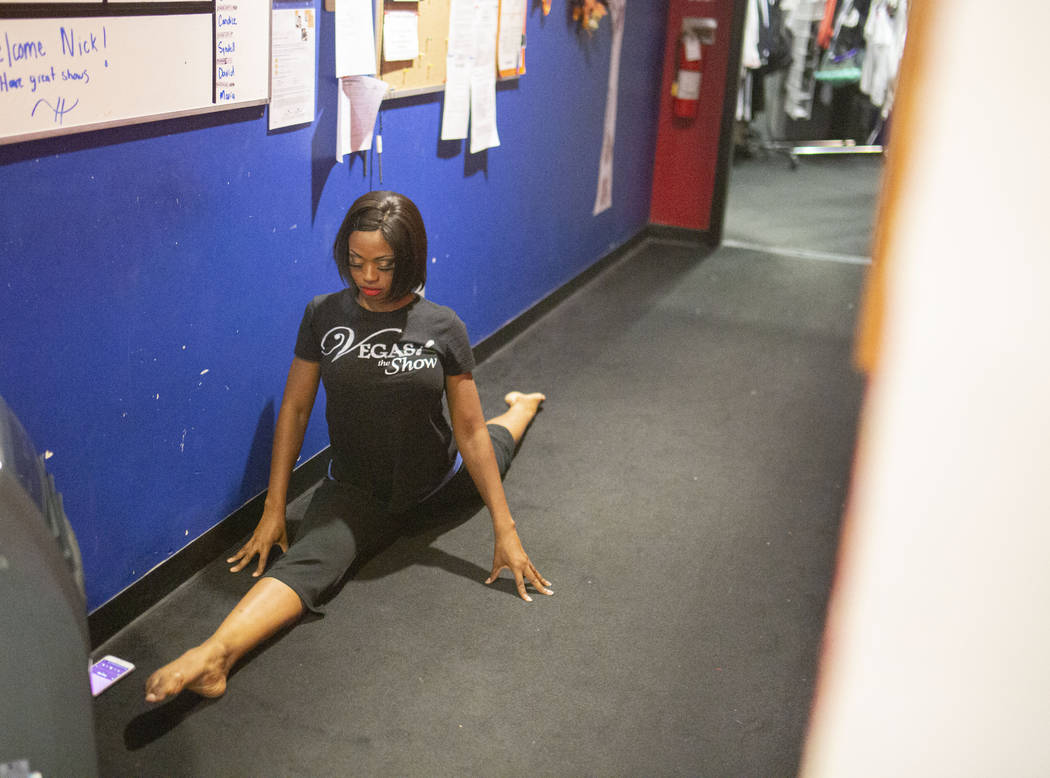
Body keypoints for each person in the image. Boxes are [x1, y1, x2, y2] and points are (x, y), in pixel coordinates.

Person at [145, 191, 551, 703]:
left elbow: (469, 431)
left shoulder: (443, 327)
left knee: (496, 437)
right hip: (356, 492)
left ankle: (524, 404)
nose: (369, 277)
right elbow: (294, 410)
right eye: (357, 263)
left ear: (410, 259)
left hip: (437, 479)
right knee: (309, 563)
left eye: (384, 265)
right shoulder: (323, 315)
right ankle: (214, 655)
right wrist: (275, 509)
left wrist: (505, 530)